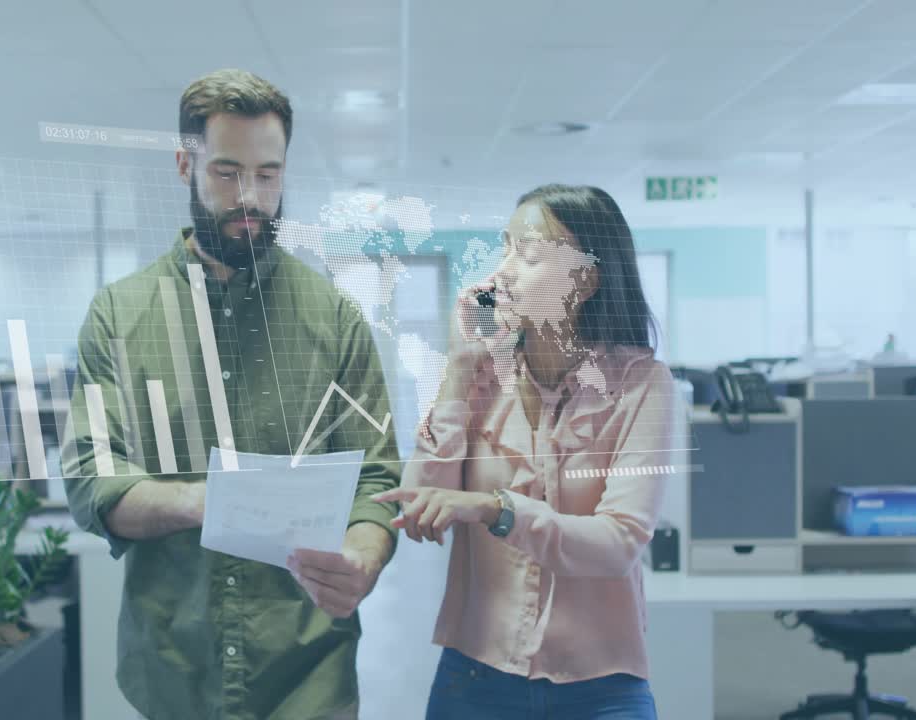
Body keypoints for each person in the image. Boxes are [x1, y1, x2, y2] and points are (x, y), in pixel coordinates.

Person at [63, 69, 400, 720]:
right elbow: (91, 479)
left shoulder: (333, 318)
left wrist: (365, 554)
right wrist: (210, 500)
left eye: (268, 175)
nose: (250, 195)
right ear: (185, 164)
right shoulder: (119, 314)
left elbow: (378, 476)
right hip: (173, 672)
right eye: (226, 172)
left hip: (311, 677)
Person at [375, 184, 677, 719]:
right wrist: (459, 367)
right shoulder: (482, 375)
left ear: (586, 279)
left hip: (601, 684)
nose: (504, 270)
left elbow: (619, 541)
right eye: (505, 248)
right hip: (475, 675)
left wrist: (497, 508)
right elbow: (420, 501)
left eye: (529, 254)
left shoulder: (643, 385)